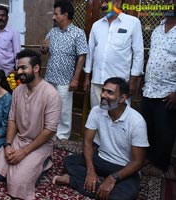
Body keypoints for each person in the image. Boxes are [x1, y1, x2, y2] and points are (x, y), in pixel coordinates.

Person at [53, 77, 149, 200]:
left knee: (124, 197)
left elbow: (138, 162)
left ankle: (73, 181)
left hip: (123, 168)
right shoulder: (96, 111)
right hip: (101, 159)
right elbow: (87, 143)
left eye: (110, 92)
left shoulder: (137, 121)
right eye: (103, 91)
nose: (103, 95)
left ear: (122, 98)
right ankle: (99, 184)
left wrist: (113, 178)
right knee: (69, 162)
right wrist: (90, 171)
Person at [0, 49, 62, 200]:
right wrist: (8, 145)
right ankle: (23, 167)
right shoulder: (17, 91)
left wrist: (24, 152)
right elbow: (12, 120)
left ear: (36, 69)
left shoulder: (51, 94)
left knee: (16, 186)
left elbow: (49, 130)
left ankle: (44, 162)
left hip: (39, 145)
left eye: (23, 68)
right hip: (19, 140)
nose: (19, 72)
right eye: (18, 68)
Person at [41, 0, 87, 144]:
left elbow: (82, 57)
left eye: (56, 14)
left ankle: (63, 135)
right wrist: (43, 48)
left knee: (64, 109)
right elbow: (44, 51)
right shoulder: (52, 32)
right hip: (50, 77)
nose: (53, 17)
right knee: (48, 106)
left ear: (65, 15)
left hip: (66, 79)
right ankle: (48, 130)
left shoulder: (78, 33)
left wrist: (75, 79)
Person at [83, 0, 144, 108]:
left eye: (107, 1)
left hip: (118, 84)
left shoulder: (133, 22)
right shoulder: (96, 25)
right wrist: (87, 77)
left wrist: (133, 81)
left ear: (118, 2)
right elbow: (90, 53)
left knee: (118, 119)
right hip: (97, 81)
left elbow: (138, 53)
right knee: (98, 116)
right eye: (102, 2)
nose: (103, 5)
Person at [141, 0, 176, 176]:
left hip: (168, 91)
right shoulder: (156, 31)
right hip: (149, 88)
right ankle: (149, 157)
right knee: (148, 127)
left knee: (165, 131)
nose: (168, 3)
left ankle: (162, 166)